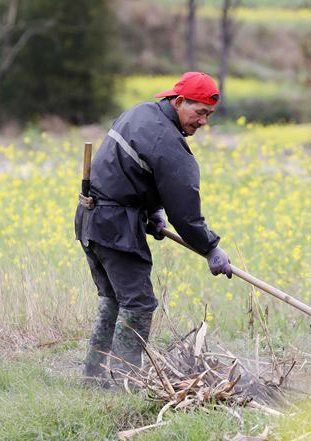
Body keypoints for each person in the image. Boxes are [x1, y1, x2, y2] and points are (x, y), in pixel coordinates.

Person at [75, 72, 232, 387]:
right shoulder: (169, 143)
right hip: (115, 227)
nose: (203, 121)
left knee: (113, 298)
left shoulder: (141, 113)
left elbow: (127, 170)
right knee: (139, 303)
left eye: (208, 115)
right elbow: (186, 214)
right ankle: (124, 382)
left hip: (90, 219)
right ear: (177, 102)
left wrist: (152, 212)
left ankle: (92, 378)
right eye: (198, 112)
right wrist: (211, 248)